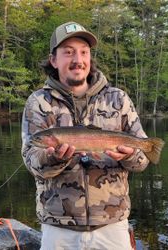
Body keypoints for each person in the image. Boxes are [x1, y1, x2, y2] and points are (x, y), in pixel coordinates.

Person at [21, 21, 149, 250]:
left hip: (112, 226)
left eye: (83, 52)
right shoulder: (38, 102)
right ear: (53, 60)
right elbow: (32, 163)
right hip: (58, 228)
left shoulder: (118, 99)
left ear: (90, 57)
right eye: (68, 52)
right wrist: (55, 158)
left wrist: (129, 156)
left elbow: (142, 161)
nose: (77, 60)